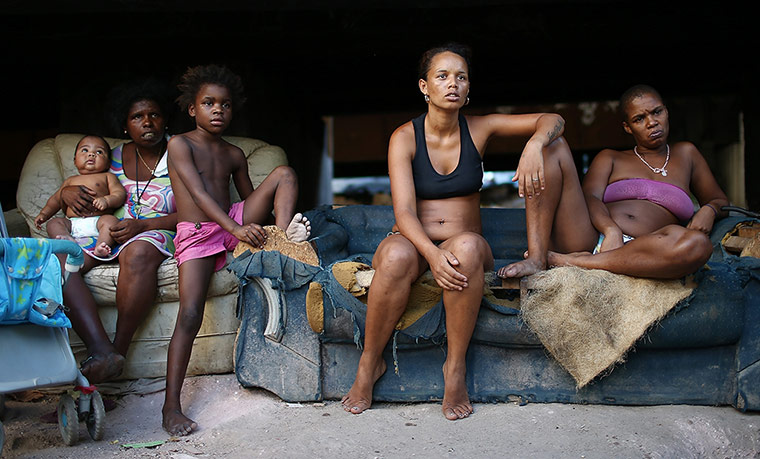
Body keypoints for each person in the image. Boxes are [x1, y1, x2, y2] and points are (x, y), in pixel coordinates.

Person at [341, 43, 585, 421]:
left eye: (461, 77)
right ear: (424, 86)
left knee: (468, 249)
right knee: (393, 255)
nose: (452, 84)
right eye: (442, 76)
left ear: (469, 88)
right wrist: (432, 255)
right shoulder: (403, 137)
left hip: (464, 242)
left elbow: (553, 119)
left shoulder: (481, 127)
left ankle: (454, 370)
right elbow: (403, 212)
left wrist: (536, 143)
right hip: (415, 239)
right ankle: (368, 364)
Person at [163, 64, 310, 436]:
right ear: (192, 109)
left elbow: (247, 201)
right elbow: (196, 193)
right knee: (190, 312)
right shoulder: (179, 144)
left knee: (285, 173)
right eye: (209, 103)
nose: (218, 110)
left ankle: (282, 235)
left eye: (225, 105)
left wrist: (251, 225)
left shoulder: (233, 153)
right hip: (199, 231)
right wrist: (236, 228)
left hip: (232, 222)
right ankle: (170, 406)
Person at [51, 79, 179, 384]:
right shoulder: (111, 157)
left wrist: (143, 225)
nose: (147, 122)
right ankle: (101, 349)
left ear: (165, 119)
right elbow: (76, 187)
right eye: (137, 117)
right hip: (105, 231)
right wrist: (66, 195)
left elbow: (198, 211)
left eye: (154, 115)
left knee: (137, 251)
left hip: (157, 230)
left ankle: (117, 352)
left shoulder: (180, 153)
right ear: (124, 125)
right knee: (61, 259)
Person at [544, 84, 729, 278]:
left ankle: (578, 262)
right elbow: (589, 198)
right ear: (628, 127)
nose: (652, 123)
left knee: (699, 244)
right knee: (553, 150)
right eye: (639, 119)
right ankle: (596, 259)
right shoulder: (610, 157)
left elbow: (719, 200)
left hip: (646, 249)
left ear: (666, 111)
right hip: (594, 238)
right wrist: (611, 230)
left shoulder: (686, 153)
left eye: (657, 112)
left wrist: (710, 210)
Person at [36, 135, 126, 257]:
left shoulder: (107, 177)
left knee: (111, 221)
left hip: (98, 221)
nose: (91, 155)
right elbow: (55, 200)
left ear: (107, 163)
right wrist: (44, 214)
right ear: (74, 160)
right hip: (72, 224)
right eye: (85, 150)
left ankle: (102, 246)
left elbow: (119, 194)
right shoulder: (70, 181)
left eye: (99, 152)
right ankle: (67, 239)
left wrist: (107, 200)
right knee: (54, 223)